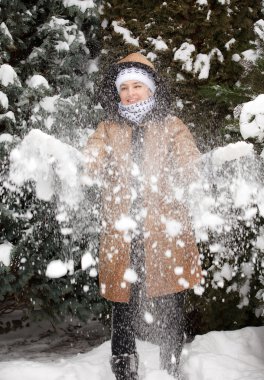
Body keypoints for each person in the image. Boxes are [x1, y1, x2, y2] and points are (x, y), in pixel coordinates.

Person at [83, 52, 202, 380]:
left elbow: (190, 160)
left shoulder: (171, 125)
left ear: (151, 89)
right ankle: (124, 368)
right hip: (123, 231)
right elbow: (90, 160)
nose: (131, 93)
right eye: (125, 88)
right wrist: (81, 166)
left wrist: (192, 170)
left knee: (171, 300)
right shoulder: (107, 127)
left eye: (138, 86)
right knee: (122, 304)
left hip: (164, 229)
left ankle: (171, 366)